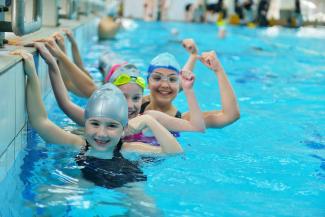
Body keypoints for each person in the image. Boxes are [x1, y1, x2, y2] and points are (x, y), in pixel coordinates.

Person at [11, 49, 183, 189]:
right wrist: (32, 75)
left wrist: (150, 120)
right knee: (49, 196)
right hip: (87, 180)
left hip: (128, 182)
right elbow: (40, 122)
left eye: (111, 126)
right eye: (94, 123)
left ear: (124, 128)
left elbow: (174, 152)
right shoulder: (78, 143)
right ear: (85, 122)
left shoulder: (129, 148)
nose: (101, 133)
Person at [30, 40, 205, 138]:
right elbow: (65, 104)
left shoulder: (150, 118)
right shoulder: (100, 120)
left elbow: (196, 127)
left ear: (143, 97)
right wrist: (52, 63)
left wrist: (189, 89)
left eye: (136, 98)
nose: (130, 105)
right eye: (123, 97)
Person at [142, 39, 240, 128]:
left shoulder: (186, 120)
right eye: (157, 78)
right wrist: (193, 56)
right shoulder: (137, 104)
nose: (165, 85)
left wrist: (218, 70)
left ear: (178, 85)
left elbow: (230, 115)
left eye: (172, 80)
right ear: (148, 83)